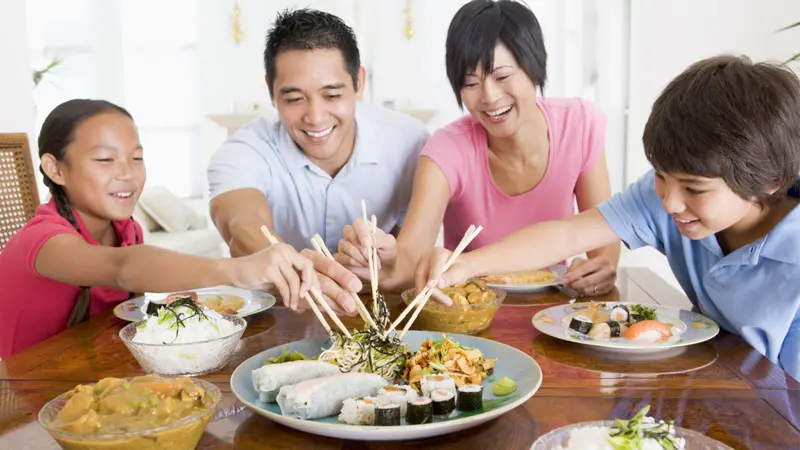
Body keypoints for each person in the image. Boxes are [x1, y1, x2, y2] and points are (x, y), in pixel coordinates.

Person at [415, 55, 800, 381]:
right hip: (713, 377)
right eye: (661, 177)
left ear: (771, 180)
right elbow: (566, 235)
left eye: (694, 189)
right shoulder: (665, 195)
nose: (669, 203)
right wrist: (463, 264)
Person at [0, 99, 358, 359]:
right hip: (27, 396)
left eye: (136, 158)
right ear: (55, 169)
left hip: (97, 374)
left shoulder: (126, 229)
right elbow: (123, 268)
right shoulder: (41, 241)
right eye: (105, 159)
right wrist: (237, 270)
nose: (127, 173)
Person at [335, 0, 620, 296]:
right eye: (471, 83)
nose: (489, 96)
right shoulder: (446, 151)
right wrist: (386, 261)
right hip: (468, 312)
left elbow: (604, 234)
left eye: (502, 76)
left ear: (535, 67)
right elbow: (410, 258)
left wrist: (602, 268)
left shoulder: (579, 125)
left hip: (552, 306)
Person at [207, 8, 428, 271]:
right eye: (294, 99)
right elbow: (241, 226)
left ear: (359, 82)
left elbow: (411, 258)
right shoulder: (243, 151)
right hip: (283, 305)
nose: (315, 117)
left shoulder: (411, 143)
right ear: (270, 91)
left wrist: (388, 261)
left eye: (332, 95)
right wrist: (297, 271)